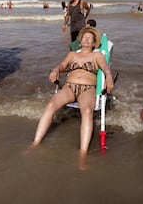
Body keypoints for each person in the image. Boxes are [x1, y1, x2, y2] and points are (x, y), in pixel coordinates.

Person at [30, 27, 114, 160]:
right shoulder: (72, 55)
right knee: (51, 105)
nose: (86, 39)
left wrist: (108, 78)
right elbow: (62, 66)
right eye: (84, 37)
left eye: (89, 38)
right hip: (69, 87)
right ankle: (35, 142)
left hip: (88, 88)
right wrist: (55, 70)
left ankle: (82, 153)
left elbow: (106, 68)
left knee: (86, 111)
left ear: (94, 43)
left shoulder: (97, 55)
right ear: (80, 41)